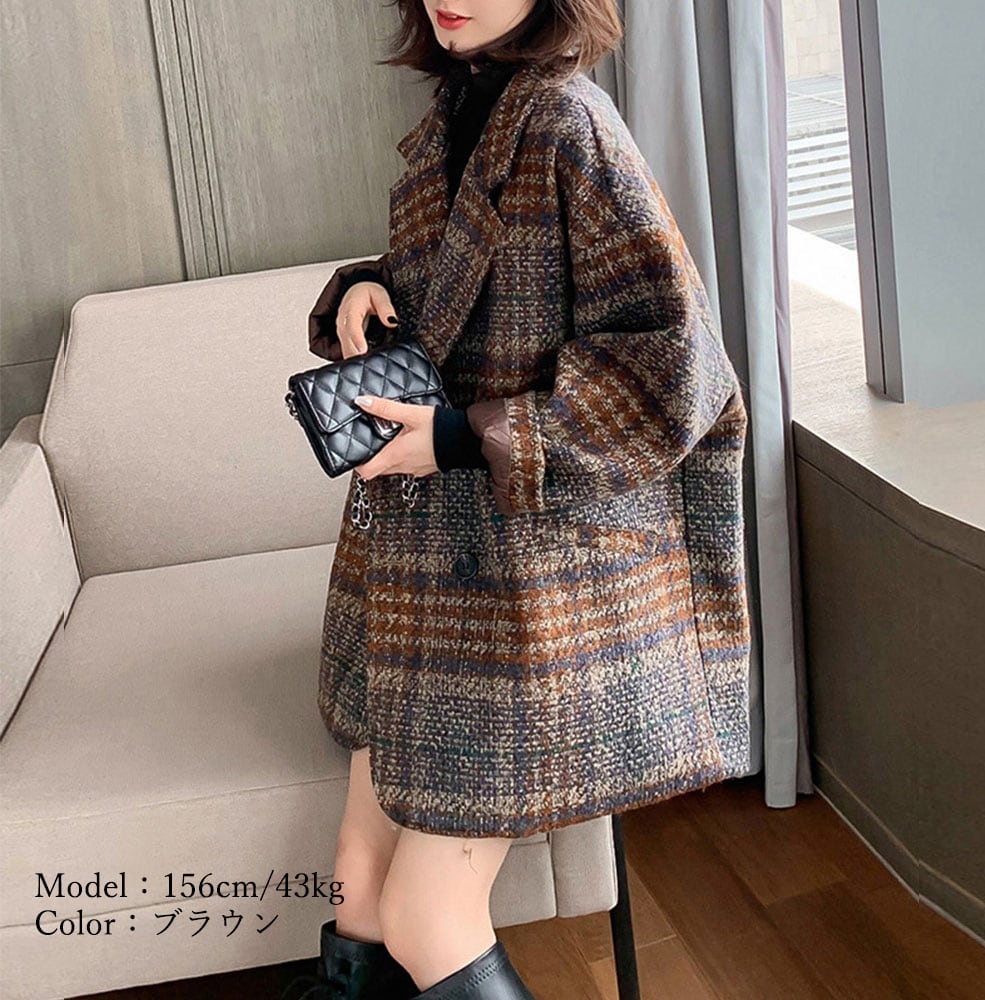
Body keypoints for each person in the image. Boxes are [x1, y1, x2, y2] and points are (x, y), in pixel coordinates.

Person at [288, 1, 752, 998]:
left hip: (522, 592)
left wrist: (461, 437)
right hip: (426, 572)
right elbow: (471, 292)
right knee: (357, 883)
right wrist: (369, 288)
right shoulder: (463, 111)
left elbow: (676, 370)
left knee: (424, 915)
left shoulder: (569, 124)